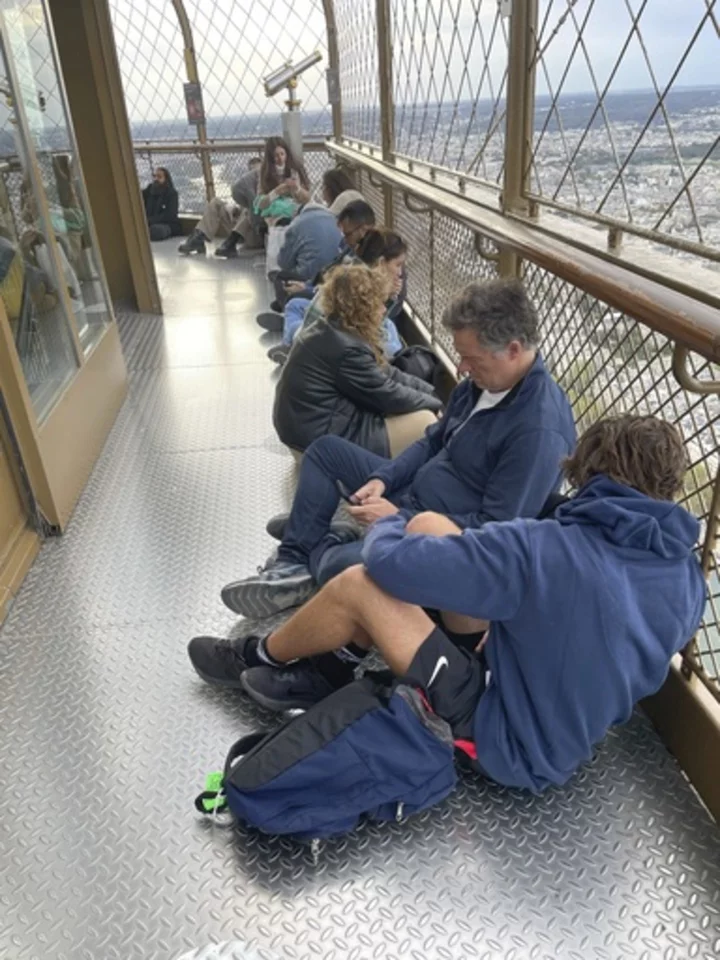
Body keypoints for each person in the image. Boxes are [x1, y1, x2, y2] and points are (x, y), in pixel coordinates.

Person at [188, 415, 706, 794]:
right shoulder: (685, 576)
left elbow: (390, 566)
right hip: (564, 727)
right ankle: (337, 660)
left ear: (588, 473)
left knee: (362, 583)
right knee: (431, 527)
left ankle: (260, 656)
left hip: (503, 739)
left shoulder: (544, 547)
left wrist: (389, 521)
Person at [198, 277, 577, 616]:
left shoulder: (537, 431)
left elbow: (494, 531)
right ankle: (295, 561)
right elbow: (431, 442)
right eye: (460, 356)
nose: (460, 368)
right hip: (413, 494)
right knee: (326, 451)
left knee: (338, 567)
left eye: (470, 358)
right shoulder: (485, 385)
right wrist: (383, 478)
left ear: (512, 350)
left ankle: (322, 536)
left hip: (436, 532)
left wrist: (397, 518)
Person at [273, 263, 441, 459]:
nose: (382, 310)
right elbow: (386, 394)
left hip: (308, 430)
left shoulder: (332, 329)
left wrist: (429, 393)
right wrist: (435, 405)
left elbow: (386, 373)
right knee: (426, 422)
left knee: (415, 410)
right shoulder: (347, 348)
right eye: (378, 304)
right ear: (363, 308)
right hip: (318, 442)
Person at [268, 228, 406, 364]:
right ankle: (400, 360)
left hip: (317, 338)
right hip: (329, 348)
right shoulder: (361, 284)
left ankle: (289, 340)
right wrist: (388, 296)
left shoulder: (353, 271)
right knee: (390, 336)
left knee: (295, 311)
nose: (400, 272)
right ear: (381, 263)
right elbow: (369, 327)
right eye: (398, 265)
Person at [262, 199, 375, 350]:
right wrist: (307, 285)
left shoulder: (368, 256)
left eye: (348, 234)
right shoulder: (349, 247)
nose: (345, 239)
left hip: (338, 302)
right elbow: (332, 274)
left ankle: (291, 340)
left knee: (292, 297)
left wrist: (308, 289)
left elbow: (344, 290)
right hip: (325, 288)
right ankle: (292, 328)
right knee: (293, 299)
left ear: (363, 230)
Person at [178, 157, 262, 256]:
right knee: (216, 202)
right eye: (251, 172)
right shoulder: (246, 187)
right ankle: (198, 239)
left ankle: (231, 242)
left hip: (257, 235)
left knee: (249, 209)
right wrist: (234, 209)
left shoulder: (265, 188)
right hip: (241, 230)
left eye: (256, 172)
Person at [253, 136, 310, 225]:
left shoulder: (296, 168)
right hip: (276, 214)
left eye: (282, 154)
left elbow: (307, 198)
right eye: (276, 156)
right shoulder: (264, 172)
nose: (280, 159)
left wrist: (297, 189)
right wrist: (276, 192)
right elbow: (261, 204)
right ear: (270, 158)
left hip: (297, 209)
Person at [143, 167, 182, 242]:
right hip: (149, 222)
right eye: (155, 176)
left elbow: (170, 215)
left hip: (167, 224)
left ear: (166, 179)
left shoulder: (171, 193)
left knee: (157, 231)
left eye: (159, 177)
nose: (156, 179)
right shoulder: (149, 190)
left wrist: (149, 221)